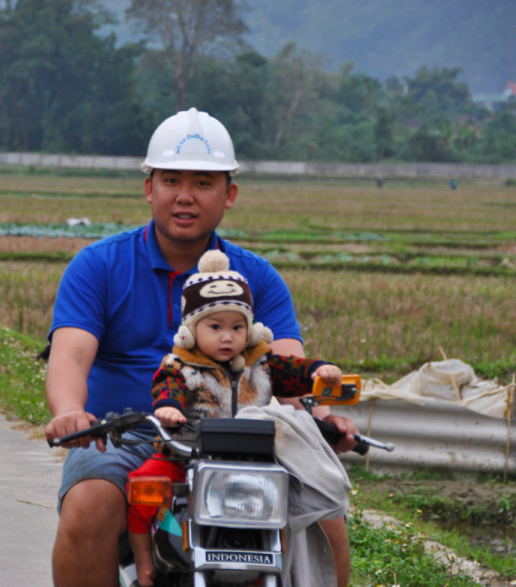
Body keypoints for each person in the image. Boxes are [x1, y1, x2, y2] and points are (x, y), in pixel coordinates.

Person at [43, 107, 359, 587]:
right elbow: (70, 355)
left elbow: (287, 371)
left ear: (229, 194)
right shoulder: (98, 267)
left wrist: (318, 418)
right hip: (125, 437)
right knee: (89, 501)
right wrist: (70, 411)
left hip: (238, 442)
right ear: (149, 188)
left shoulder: (259, 277)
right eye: (171, 180)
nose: (184, 197)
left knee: (325, 513)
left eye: (203, 183)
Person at [126, 249, 346, 586]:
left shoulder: (262, 364)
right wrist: (169, 408)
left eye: (237, 326)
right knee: (143, 485)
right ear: (191, 330)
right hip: (186, 455)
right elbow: (165, 388)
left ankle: (268, 568)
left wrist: (318, 370)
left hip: (251, 464)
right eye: (215, 326)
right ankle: (145, 560)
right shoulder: (179, 367)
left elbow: (296, 372)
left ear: (251, 329)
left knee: (284, 509)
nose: (227, 336)